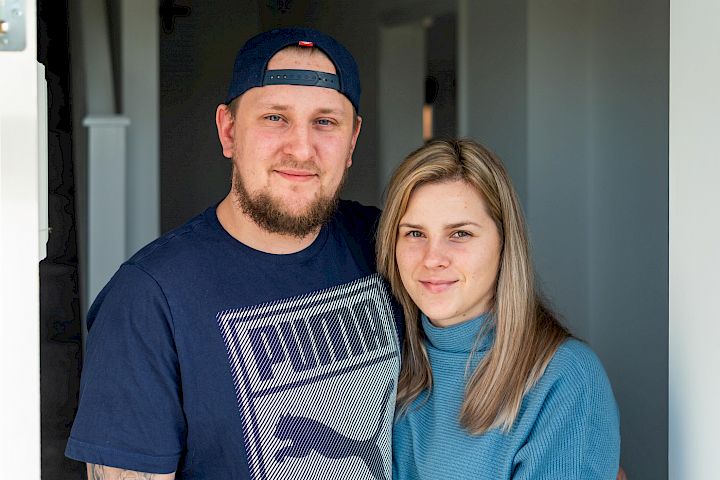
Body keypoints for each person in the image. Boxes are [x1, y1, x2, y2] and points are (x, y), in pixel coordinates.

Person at [66, 27, 401, 480]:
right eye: (274, 118)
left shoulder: (390, 244)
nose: (301, 148)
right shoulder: (148, 298)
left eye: (325, 122)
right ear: (228, 130)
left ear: (352, 141)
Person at [376, 139, 621, 479]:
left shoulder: (564, 378)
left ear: (505, 243)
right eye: (415, 233)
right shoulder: (385, 364)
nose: (432, 258)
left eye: (460, 233)